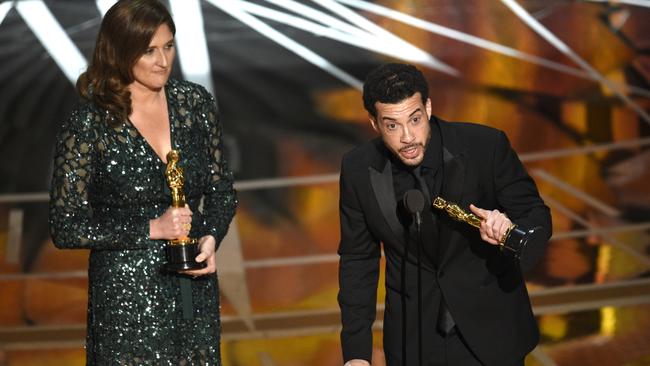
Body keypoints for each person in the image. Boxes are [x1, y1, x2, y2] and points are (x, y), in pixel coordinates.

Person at [48, 0, 236, 364]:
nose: (163, 61)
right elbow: (65, 226)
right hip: (125, 299)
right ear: (120, 52)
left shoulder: (194, 104)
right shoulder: (89, 124)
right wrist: (151, 227)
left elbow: (221, 190)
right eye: (149, 51)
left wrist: (211, 237)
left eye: (168, 46)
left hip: (192, 289)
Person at [337, 63, 552, 366]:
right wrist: (357, 353)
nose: (408, 137)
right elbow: (357, 260)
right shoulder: (358, 168)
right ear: (374, 123)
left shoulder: (485, 146)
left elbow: (536, 214)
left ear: (428, 106)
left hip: (492, 334)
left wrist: (510, 231)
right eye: (392, 126)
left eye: (415, 119)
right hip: (414, 342)